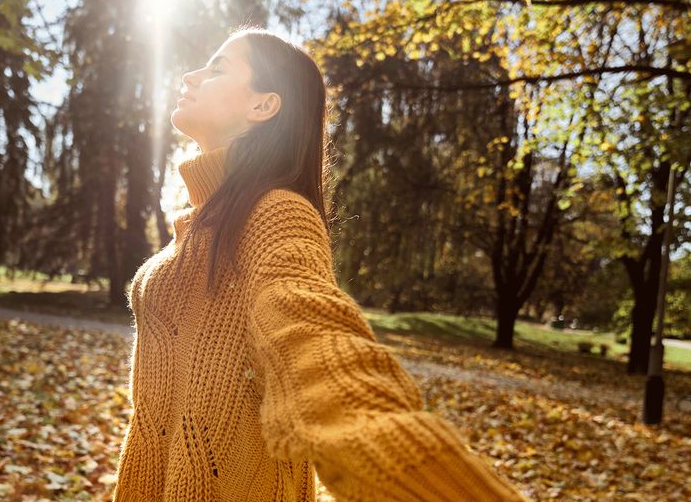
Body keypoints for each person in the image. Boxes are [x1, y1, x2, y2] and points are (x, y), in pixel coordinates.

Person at [111, 26, 531, 502]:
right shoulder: (199, 221)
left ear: (263, 105)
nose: (190, 76)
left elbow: (314, 338)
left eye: (218, 68)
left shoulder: (274, 212)